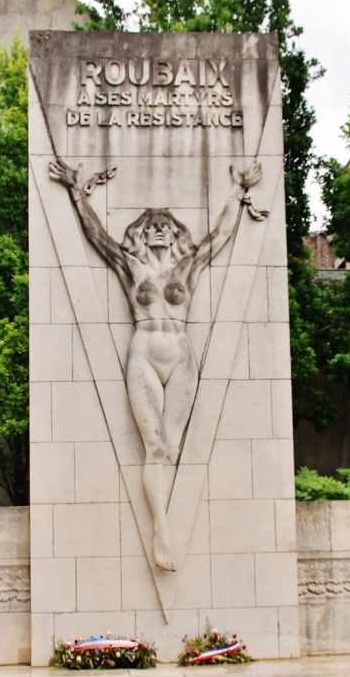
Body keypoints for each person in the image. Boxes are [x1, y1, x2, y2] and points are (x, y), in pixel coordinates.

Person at [49, 158, 264, 571]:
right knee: (156, 447)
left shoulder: (188, 265)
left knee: (175, 446)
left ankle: (166, 518)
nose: (159, 228)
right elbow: (97, 236)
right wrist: (77, 191)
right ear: (141, 234)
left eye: (165, 224)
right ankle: (161, 528)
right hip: (144, 351)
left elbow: (218, 238)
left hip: (181, 355)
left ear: (176, 232)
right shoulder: (132, 267)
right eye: (151, 225)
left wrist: (238, 192)